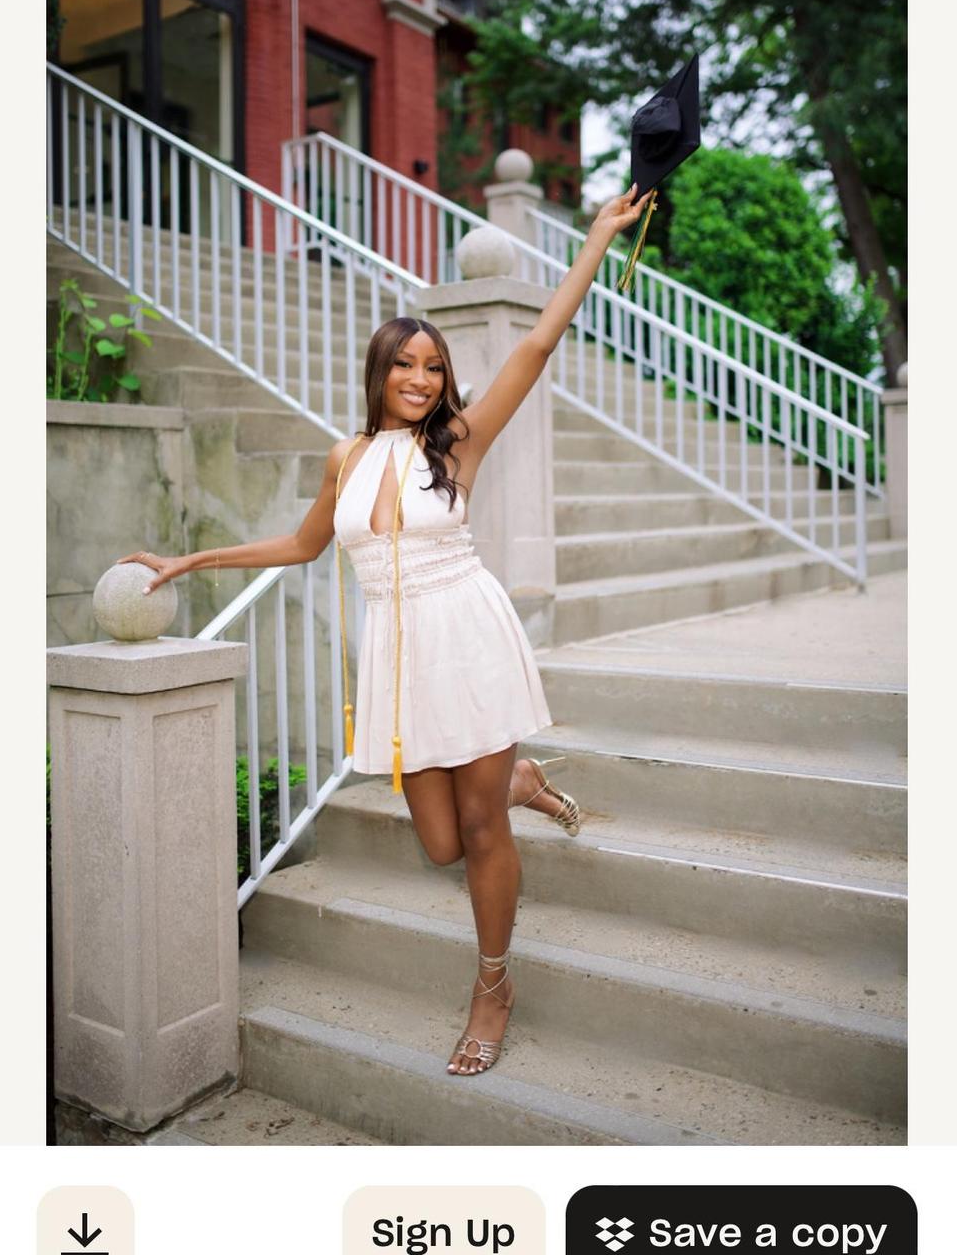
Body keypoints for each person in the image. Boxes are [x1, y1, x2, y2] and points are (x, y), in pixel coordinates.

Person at [117, 183, 653, 1077]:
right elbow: (301, 542)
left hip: (470, 638)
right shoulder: (348, 457)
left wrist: (595, 237)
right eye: (406, 364)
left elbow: (536, 341)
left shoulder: (460, 444)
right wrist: (189, 564)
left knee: (479, 835)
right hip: (400, 659)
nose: (420, 379)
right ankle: (521, 780)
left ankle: (492, 985)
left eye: (434, 366)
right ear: (380, 372)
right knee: (440, 841)